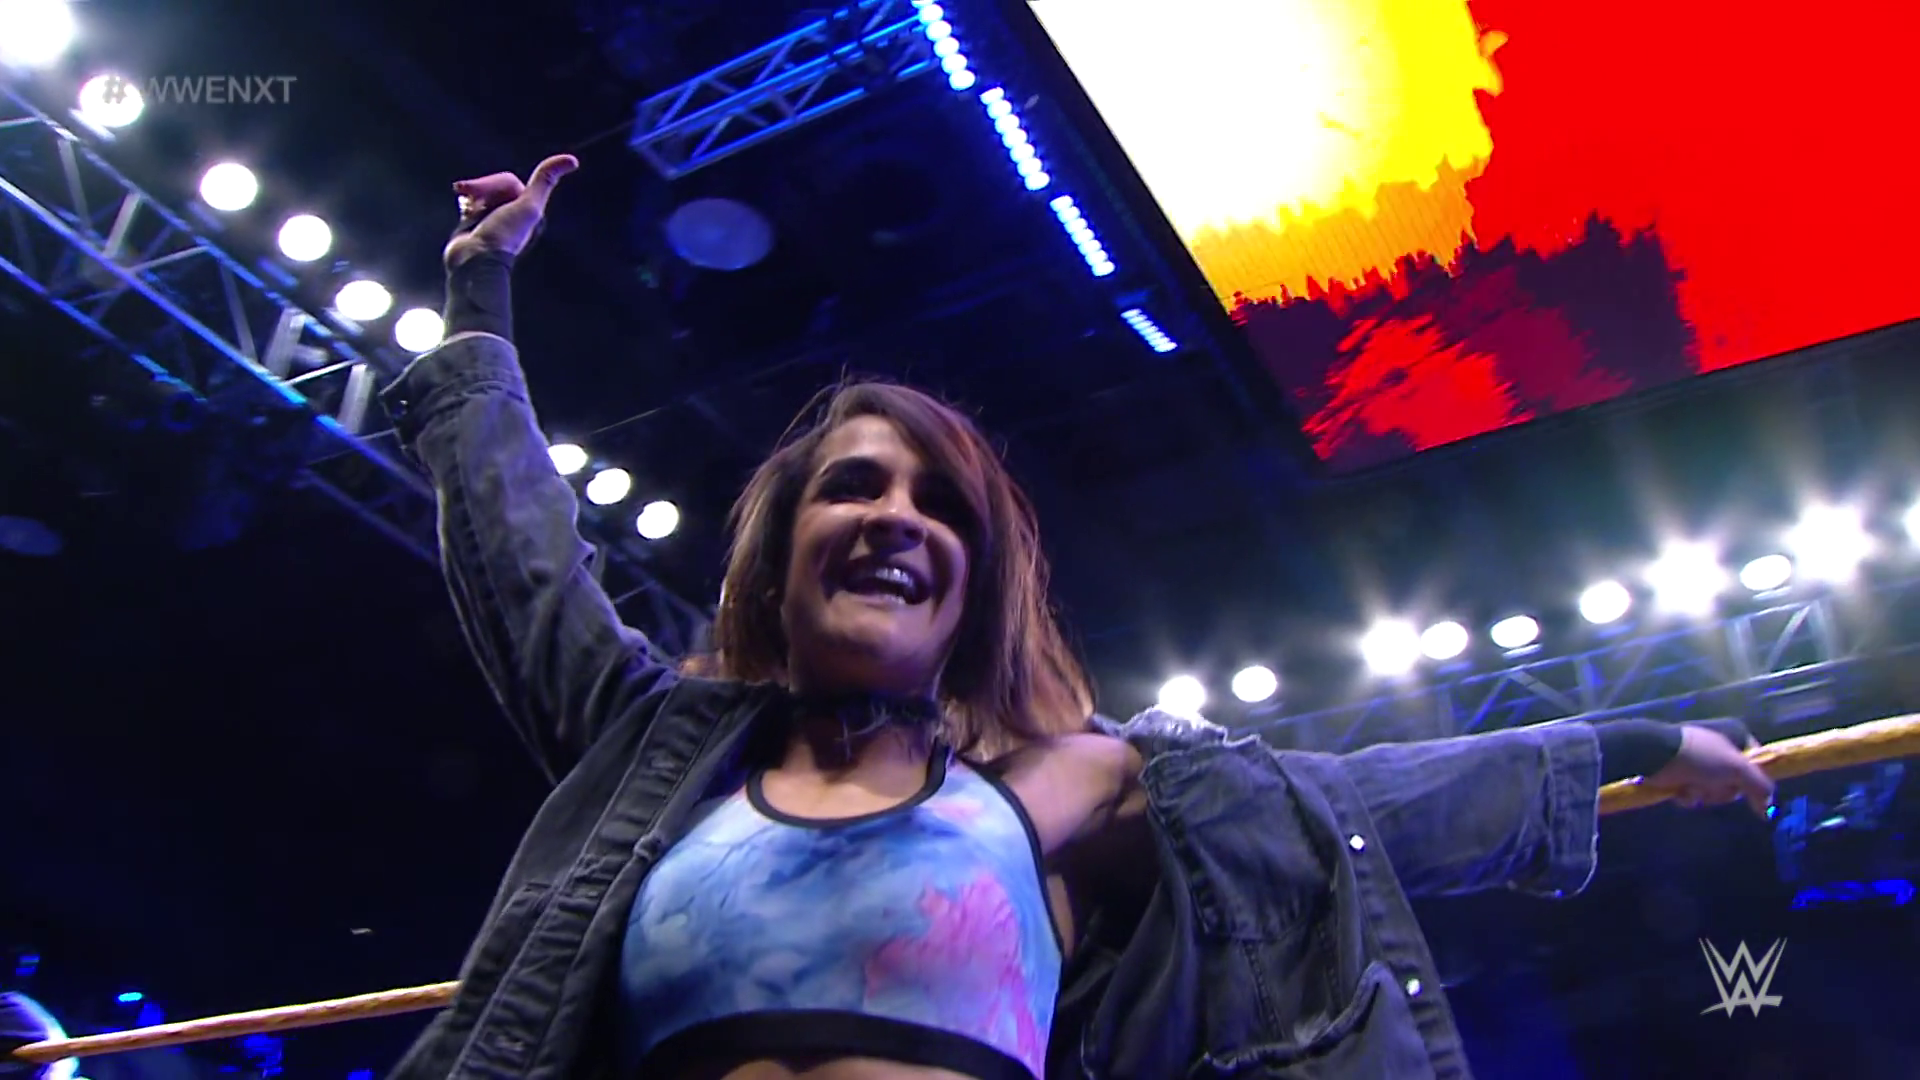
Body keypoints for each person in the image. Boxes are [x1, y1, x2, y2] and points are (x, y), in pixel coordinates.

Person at [378, 155, 1775, 1080]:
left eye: (942, 505)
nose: (897, 517)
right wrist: (479, 297)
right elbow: (521, 562)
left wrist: (1630, 743)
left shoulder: (1069, 788)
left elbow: (1351, 804)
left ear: (973, 585)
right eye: (853, 487)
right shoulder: (658, 755)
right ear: (779, 553)